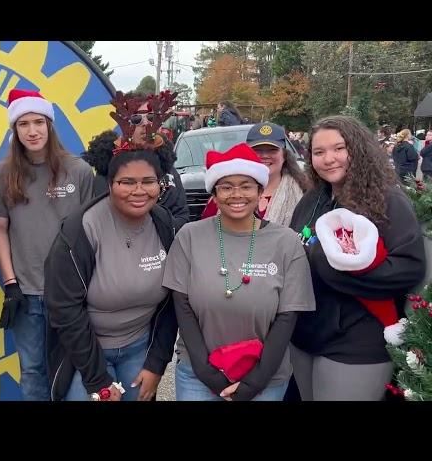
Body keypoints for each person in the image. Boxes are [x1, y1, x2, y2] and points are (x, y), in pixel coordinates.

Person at [45, 99, 178, 402]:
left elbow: (173, 301)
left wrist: (156, 363)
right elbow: (65, 311)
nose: (138, 191)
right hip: (87, 351)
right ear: (110, 182)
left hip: (139, 347)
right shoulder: (79, 230)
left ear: (161, 184)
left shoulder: (164, 225)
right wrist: (98, 380)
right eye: (126, 182)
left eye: (148, 182)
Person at [162, 143, 315, 401]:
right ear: (214, 193)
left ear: (259, 190)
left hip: (265, 378)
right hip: (198, 374)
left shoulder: (286, 242)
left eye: (246, 185)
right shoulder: (190, 236)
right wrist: (206, 371)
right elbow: (182, 306)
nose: (236, 194)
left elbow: (288, 316)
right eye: (226, 187)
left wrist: (257, 380)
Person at [289, 115, 426, 401]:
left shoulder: (387, 200)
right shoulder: (312, 199)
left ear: (358, 149)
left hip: (357, 343)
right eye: (319, 152)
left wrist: (332, 268)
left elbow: (409, 269)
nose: (329, 159)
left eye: (339, 148)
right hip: (305, 338)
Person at [0, 89, 95, 401]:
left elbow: (91, 231)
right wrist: (10, 283)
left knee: (72, 367)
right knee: (33, 369)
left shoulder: (78, 170)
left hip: (70, 293)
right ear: (14, 130)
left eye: (39, 122)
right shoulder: (1, 176)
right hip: (27, 293)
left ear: (49, 125)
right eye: (23, 124)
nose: (32, 131)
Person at [82, 90, 190, 232]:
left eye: (151, 117)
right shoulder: (109, 168)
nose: (145, 124)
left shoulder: (169, 170)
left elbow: (182, 215)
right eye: (136, 119)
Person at [201, 122, 311, 226]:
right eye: (258, 150)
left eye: (272, 150)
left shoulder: (304, 192)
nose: (264, 155)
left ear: (284, 155)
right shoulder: (221, 197)